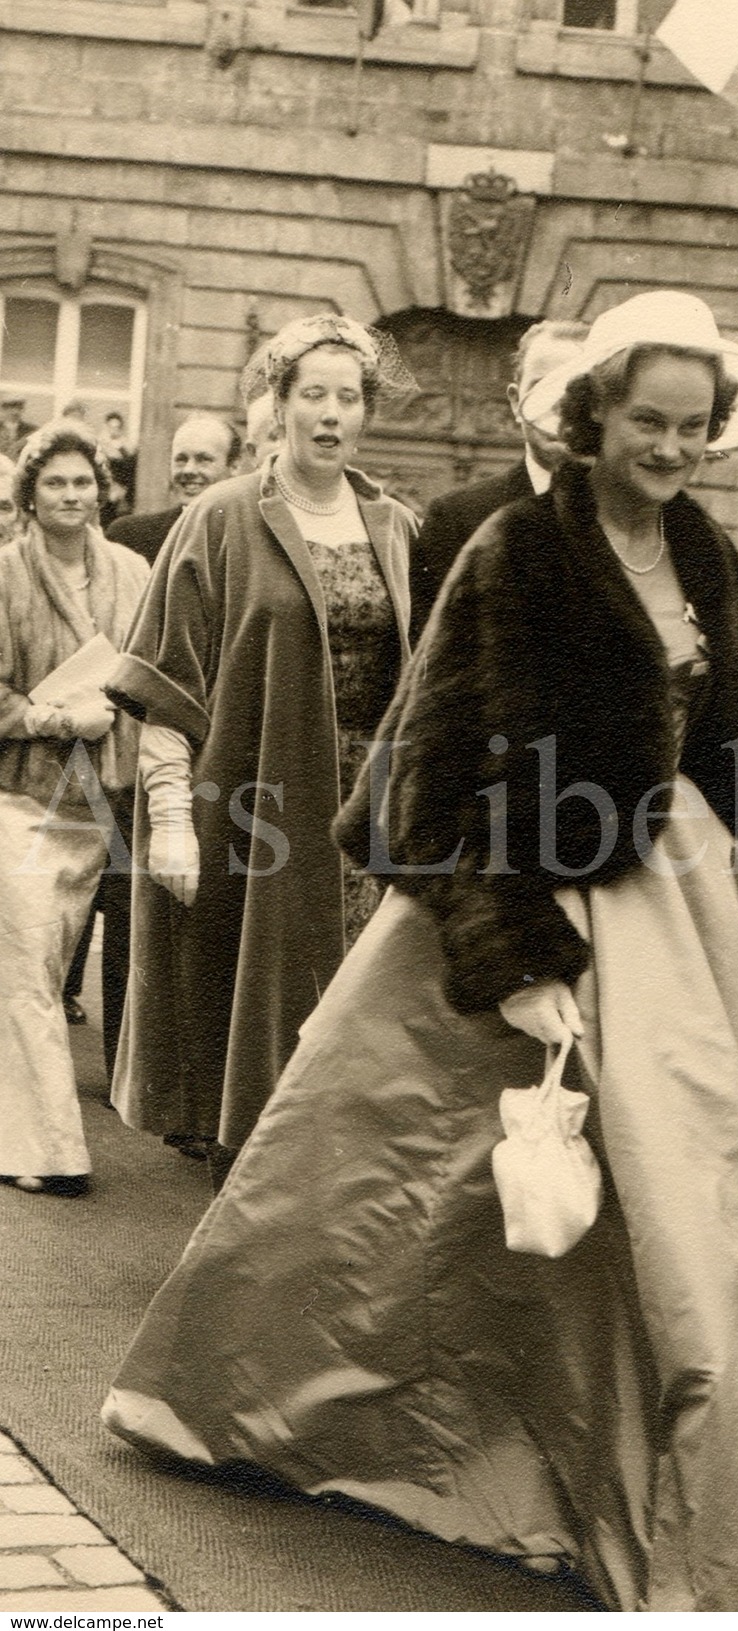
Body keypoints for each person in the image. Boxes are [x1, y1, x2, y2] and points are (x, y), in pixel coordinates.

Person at [103, 291, 738, 1610]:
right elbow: (424, 777)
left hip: (676, 914)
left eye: (696, 426)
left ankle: (643, 1465)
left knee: (671, 1209)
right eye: (649, 421)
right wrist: (513, 954)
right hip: (514, 902)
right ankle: (311, 1415)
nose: (673, 447)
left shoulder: (698, 549)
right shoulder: (518, 547)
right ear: (592, 419)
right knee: (412, 1201)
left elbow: (727, 752)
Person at [106, 312, 417, 1184]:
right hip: (257, 820)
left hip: (368, 833)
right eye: (311, 394)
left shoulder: (395, 525)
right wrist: (170, 820)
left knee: (357, 1068)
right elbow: (167, 682)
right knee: (252, 1073)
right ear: (276, 406)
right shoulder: (220, 517)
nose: (331, 414)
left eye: (348, 397)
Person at [0, 419, 148, 1194]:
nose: (71, 494)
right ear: (30, 494)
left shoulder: (130, 570)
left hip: (102, 799)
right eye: (54, 482)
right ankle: (47, 1150)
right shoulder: (4, 575)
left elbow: (153, 669)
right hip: (19, 798)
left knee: (48, 967)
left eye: (82, 481)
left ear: (102, 490)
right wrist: (56, 719)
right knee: (26, 963)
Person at [408, 319, 587, 640]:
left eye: (575, 389)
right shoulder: (456, 519)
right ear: (516, 402)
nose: (559, 406)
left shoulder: (636, 517)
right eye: (542, 387)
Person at [106, 413, 241, 566]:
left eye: (204, 460)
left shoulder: (252, 541)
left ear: (234, 467)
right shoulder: (130, 537)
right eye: (181, 459)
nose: (188, 470)